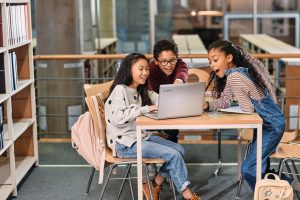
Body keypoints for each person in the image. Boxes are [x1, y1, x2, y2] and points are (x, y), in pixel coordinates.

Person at [105, 53, 200, 200]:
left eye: (146, 69)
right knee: (172, 155)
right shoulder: (120, 90)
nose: (145, 73)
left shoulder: (140, 90)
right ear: (128, 69)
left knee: (179, 149)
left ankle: (155, 186)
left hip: (138, 136)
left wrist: (183, 100)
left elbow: (162, 99)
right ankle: (188, 195)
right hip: (124, 144)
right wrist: (147, 109)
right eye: (140, 69)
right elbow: (118, 118)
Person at [204, 39, 286, 190]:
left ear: (229, 58)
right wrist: (208, 105)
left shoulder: (235, 77)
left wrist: (238, 104)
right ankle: (281, 186)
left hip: (271, 126)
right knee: (259, 169)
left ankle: (272, 192)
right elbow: (225, 101)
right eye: (210, 61)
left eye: (215, 60)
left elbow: (247, 109)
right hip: (267, 124)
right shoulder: (235, 74)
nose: (212, 65)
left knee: (248, 169)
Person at [148, 39, 189, 143]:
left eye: (172, 60)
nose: (169, 65)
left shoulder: (180, 63)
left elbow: (182, 73)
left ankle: (173, 146)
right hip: (154, 109)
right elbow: (153, 96)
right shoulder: (151, 70)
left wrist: (178, 83)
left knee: (173, 134)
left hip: (173, 109)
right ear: (156, 61)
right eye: (164, 61)